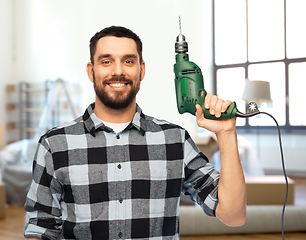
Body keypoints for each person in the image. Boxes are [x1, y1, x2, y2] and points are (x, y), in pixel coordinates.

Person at [24, 26, 246, 240]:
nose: (118, 71)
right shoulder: (55, 144)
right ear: (92, 71)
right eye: (106, 61)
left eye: (128, 61)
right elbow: (40, 228)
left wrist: (226, 133)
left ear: (142, 70)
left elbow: (233, 215)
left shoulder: (175, 140)